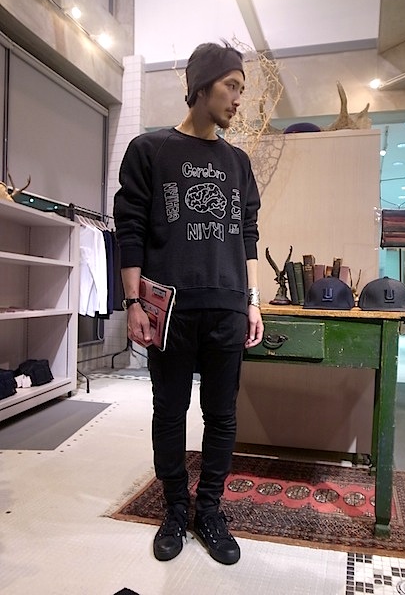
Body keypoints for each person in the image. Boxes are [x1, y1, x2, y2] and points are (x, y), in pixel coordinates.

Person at [114, 41, 264, 566]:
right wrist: (133, 301)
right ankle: (176, 508)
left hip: (227, 305)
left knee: (222, 415)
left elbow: (247, 234)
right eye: (231, 86)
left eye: (242, 89)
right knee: (169, 410)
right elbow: (129, 229)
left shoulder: (238, 162)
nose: (238, 99)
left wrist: (252, 302)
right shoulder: (150, 150)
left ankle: (210, 510)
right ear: (201, 86)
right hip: (170, 308)